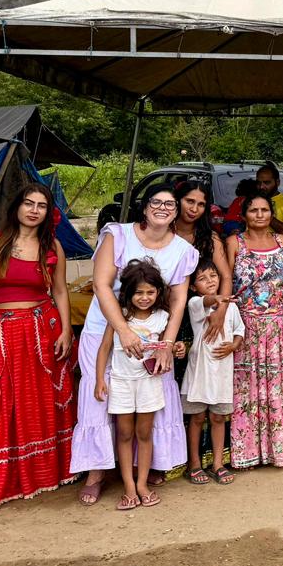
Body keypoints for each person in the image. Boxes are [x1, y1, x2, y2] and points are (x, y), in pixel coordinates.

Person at [0, 183, 76, 514]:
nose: (34, 210)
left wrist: (65, 330)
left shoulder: (53, 247)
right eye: (28, 203)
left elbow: (61, 291)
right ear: (17, 207)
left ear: (49, 213)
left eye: (42, 206)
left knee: (36, 406)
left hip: (39, 331)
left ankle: (37, 477)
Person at [72, 184, 197, 506]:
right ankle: (97, 471)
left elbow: (179, 299)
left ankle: (148, 464)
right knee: (102, 395)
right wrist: (123, 330)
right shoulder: (118, 234)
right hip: (106, 329)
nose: (163, 208)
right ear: (144, 207)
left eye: (170, 204)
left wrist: (168, 342)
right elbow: (101, 285)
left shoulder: (183, 249)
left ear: (177, 211)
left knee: (151, 395)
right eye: (156, 202)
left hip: (154, 334)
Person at [226, 192, 283, 468]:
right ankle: (249, 451)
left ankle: (282, 447)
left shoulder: (282, 242)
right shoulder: (234, 243)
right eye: (254, 210)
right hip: (247, 326)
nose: (260, 215)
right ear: (244, 215)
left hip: (279, 325)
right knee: (248, 389)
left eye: (265, 210)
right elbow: (228, 286)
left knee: (278, 388)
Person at [94, 260, 172, 510]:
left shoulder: (162, 318)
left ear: (158, 292)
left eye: (150, 292)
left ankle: (142, 485)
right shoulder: (120, 317)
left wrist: (175, 350)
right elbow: (105, 348)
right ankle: (128, 487)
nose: (145, 297)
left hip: (149, 383)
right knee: (125, 434)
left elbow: (166, 348)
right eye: (139, 292)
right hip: (121, 383)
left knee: (144, 434)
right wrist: (99, 380)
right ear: (128, 292)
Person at [179, 261, 245, 485]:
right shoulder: (195, 303)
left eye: (214, 276)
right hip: (199, 375)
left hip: (222, 375)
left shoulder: (232, 307)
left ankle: (218, 463)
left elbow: (239, 330)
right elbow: (207, 301)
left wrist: (234, 346)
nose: (210, 281)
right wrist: (217, 300)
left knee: (218, 418)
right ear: (193, 286)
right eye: (203, 278)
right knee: (196, 418)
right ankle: (194, 463)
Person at [174, 180, 231, 341]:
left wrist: (221, 311)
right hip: (163, 309)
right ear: (178, 200)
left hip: (200, 311)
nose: (194, 209)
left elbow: (226, 276)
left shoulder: (210, 239)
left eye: (201, 204)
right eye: (189, 201)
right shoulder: (163, 234)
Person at [255, 162, 283, 231]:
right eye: (258, 183)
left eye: (267, 182)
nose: (261, 187)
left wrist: (266, 215)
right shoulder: (253, 201)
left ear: (277, 182)